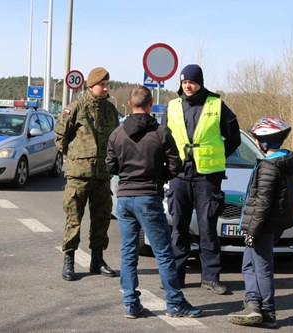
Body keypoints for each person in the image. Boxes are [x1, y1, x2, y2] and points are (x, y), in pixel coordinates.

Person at [106, 85, 203, 319]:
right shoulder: (161, 133)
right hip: (148, 196)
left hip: (125, 198)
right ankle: (175, 303)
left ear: (130, 105)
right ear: (150, 105)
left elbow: (110, 166)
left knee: (128, 252)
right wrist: (159, 178)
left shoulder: (117, 134)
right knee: (163, 252)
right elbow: (175, 165)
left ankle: (131, 304)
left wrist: (127, 174)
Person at [161, 64, 241, 294]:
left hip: (207, 177)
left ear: (200, 82)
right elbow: (163, 138)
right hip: (179, 176)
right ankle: (176, 277)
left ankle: (211, 277)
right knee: (179, 228)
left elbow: (234, 137)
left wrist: (218, 157)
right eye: (185, 82)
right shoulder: (173, 106)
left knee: (207, 228)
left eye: (192, 82)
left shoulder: (216, 105)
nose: (188, 85)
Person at [228, 117, 293, 328]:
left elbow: (262, 203)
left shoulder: (269, 166)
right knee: (249, 265)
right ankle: (253, 306)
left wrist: (252, 231)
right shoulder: (284, 161)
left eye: (257, 138)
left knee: (261, 268)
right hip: (270, 225)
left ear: (264, 142)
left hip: (262, 227)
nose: (256, 141)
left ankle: (267, 311)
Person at [55, 67, 120, 281]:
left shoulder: (110, 110)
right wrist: (75, 158)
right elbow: (60, 138)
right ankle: (69, 261)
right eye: (102, 84)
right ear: (91, 85)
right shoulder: (75, 108)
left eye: (107, 84)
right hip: (78, 176)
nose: (106, 88)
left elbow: (115, 140)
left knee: (101, 219)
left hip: (102, 176)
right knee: (74, 219)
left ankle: (97, 260)